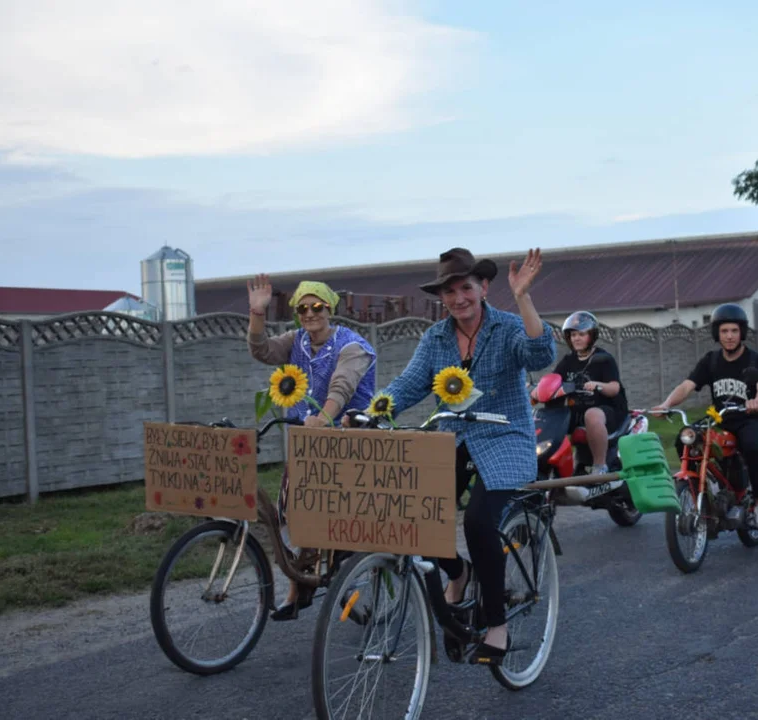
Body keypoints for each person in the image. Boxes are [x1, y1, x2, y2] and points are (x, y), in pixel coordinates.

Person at [363, 246, 555, 665]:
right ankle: (458, 573)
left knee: (478, 521)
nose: (457, 298)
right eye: (448, 292)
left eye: (465, 288)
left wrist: (522, 296)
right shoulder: (435, 338)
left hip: (505, 436)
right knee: (414, 516)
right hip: (452, 436)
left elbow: (541, 355)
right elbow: (409, 384)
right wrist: (371, 411)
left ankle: (498, 626)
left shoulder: (506, 327)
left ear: (483, 287)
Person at [246, 276, 377, 619]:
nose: (309, 313)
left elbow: (342, 385)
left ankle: (348, 563)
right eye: (302, 308)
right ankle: (297, 588)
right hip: (306, 443)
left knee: (338, 518)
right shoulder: (296, 341)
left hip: (349, 442)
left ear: (329, 308)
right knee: (291, 510)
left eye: (316, 306)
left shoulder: (353, 346)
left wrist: (324, 417)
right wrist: (257, 313)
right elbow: (261, 350)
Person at [651, 303, 758, 530]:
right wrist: (666, 404)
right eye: (724, 331)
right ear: (717, 333)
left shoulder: (756, 360)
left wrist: (757, 400)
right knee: (684, 439)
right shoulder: (711, 360)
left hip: (748, 418)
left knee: (753, 446)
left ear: (742, 333)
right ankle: (704, 487)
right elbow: (687, 386)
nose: (729, 336)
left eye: (734, 331)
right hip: (720, 420)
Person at [542, 310, 629, 503]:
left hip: (609, 409)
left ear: (591, 336)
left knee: (592, 415)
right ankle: (555, 468)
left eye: (581, 334)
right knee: (551, 418)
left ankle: (600, 466)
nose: (577, 338)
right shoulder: (568, 361)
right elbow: (555, 381)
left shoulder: (603, 359)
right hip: (578, 409)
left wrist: (598, 385)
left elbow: (614, 388)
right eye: (573, 335)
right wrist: (536, 390)